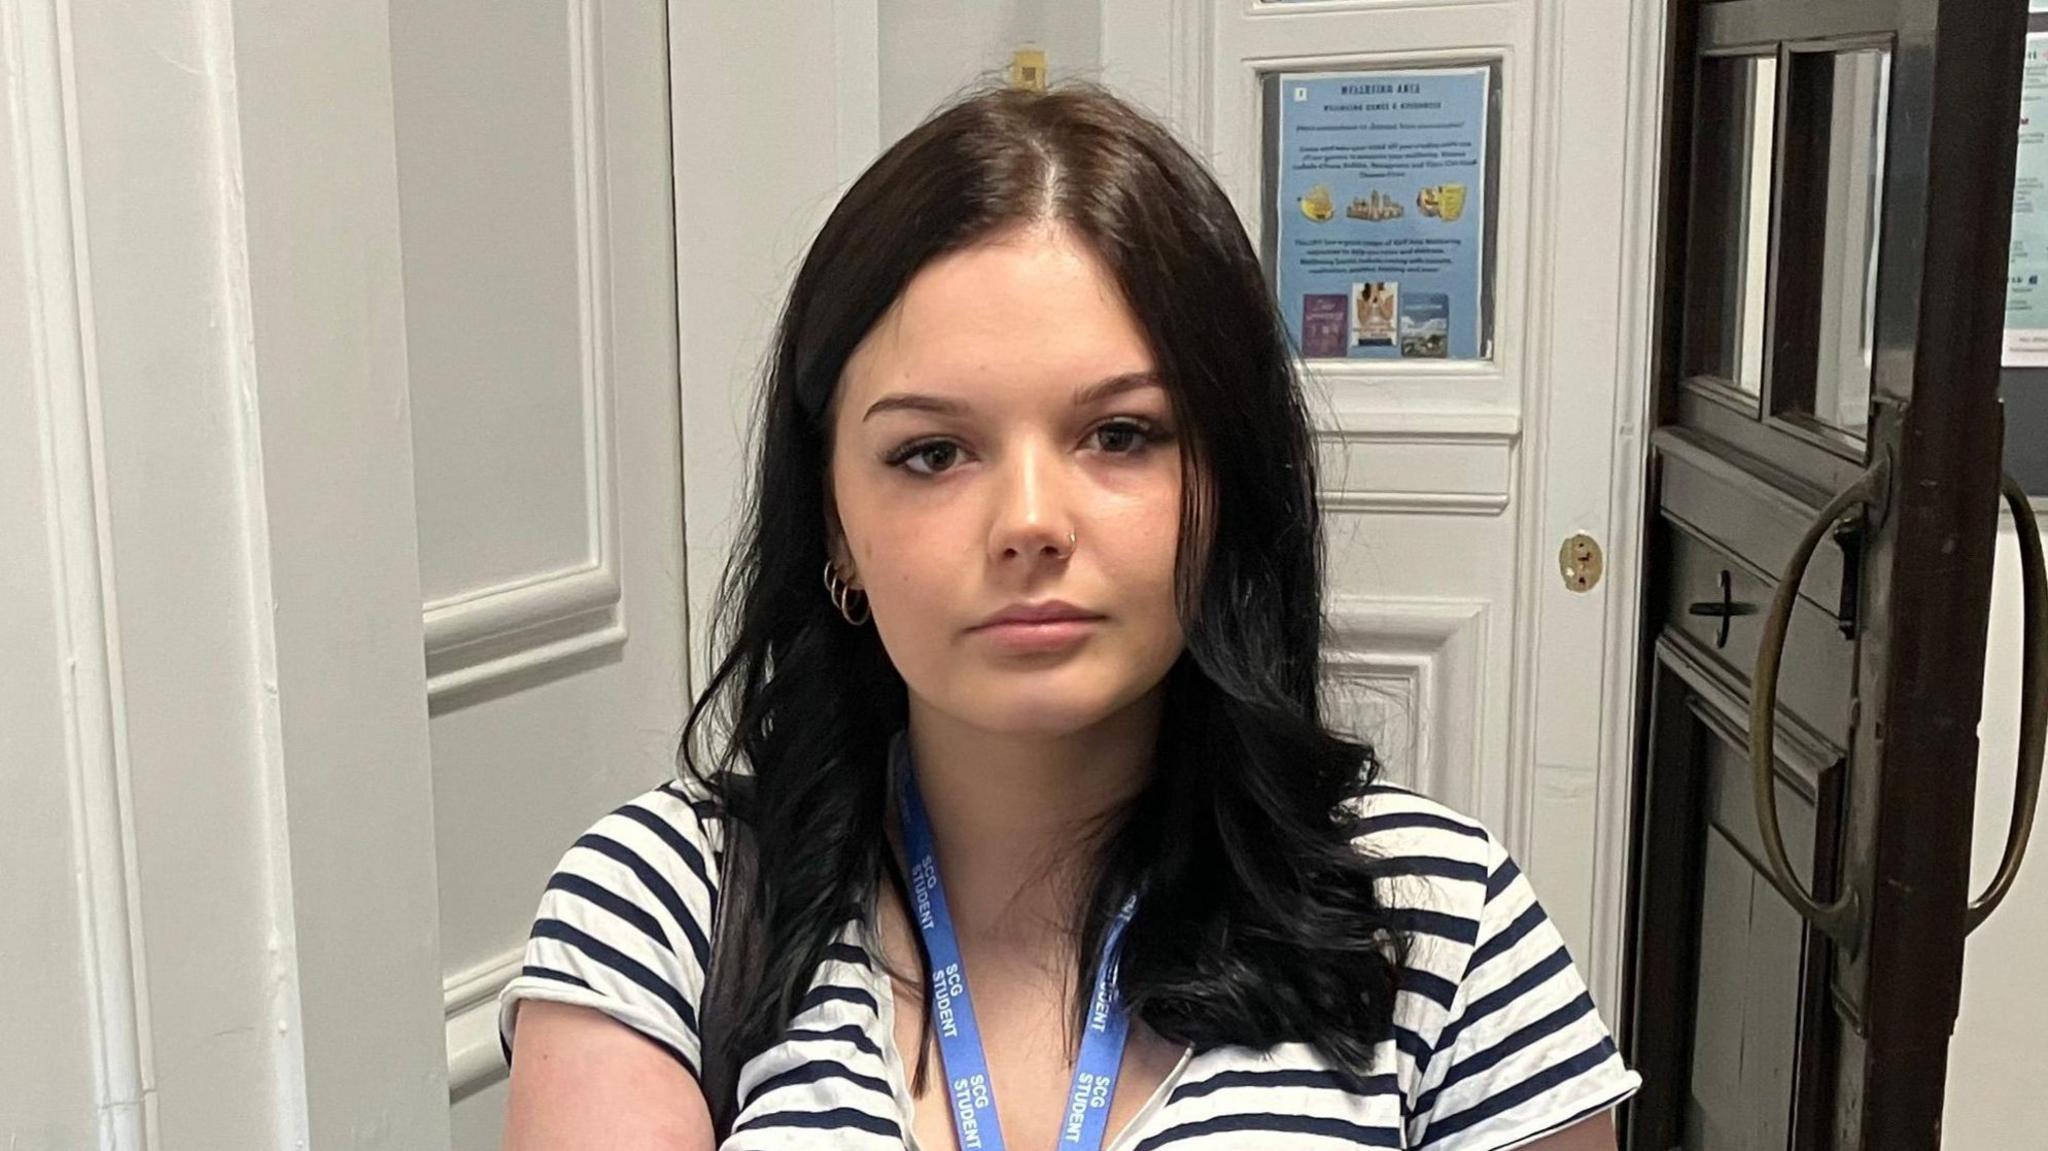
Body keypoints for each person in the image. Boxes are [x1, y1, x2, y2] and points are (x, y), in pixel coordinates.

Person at [497, 83, 1640, 1151]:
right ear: (835, 527)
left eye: (1119, 435)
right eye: (931, 452)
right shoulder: (667, 906)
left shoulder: (1436, 919)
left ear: (1226, 486)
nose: (1029, 522)